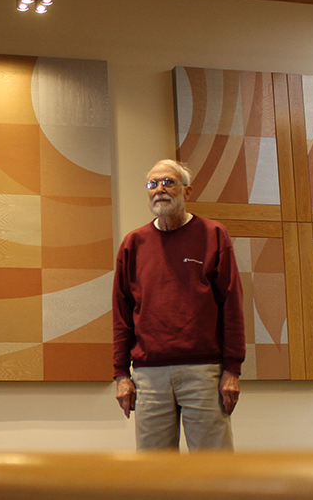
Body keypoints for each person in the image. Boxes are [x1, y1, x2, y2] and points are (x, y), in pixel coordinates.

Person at [112, 159, 245, 451]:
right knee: (154, 475)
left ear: (187, 190)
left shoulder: (213, 235)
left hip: (204, 372)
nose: (160, 189)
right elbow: (121, 315)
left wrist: (232, 369)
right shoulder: (132, 244)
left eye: (168, 182)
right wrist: (121, 375)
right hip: (148, 375)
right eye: (153, 184)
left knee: (214, 470)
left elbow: (231, 305)